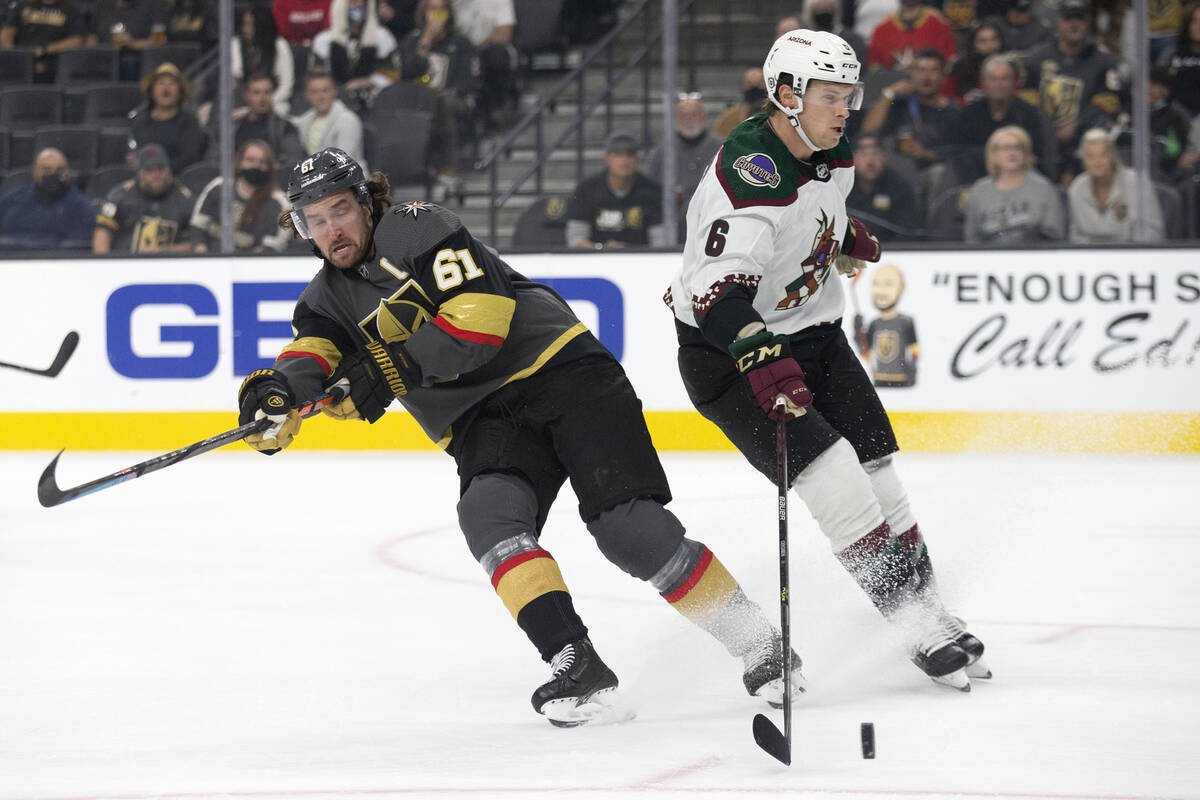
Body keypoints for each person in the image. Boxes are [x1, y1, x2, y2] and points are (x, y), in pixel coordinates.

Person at [238, 146, 803, 726]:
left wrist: (385, 370)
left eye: (340, 210)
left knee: (628, 530)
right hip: (483, 416)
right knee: (489, 517)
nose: (332, 229)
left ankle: (762, 644)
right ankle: (576, 663)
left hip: (562, 369)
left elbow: (480, 319)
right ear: (301, 228)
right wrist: (275, 399)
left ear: (366, 202)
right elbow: (312, 357)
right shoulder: (322, 300)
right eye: (316, 219)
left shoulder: (420, 229)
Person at [668, 29, 990, 692]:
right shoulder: (748, 173)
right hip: (730, 355)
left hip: (814, 334)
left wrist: (843, 236)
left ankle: (929, 610)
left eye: (851, 94)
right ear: (787, 95)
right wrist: (764, 362)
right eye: (831, 96)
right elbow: (715, 295)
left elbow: (819, 210)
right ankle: (913, 624)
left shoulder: (828, 149)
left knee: (879, 470)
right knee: (836, 476)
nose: (846, 109)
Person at [1024, 0, 1123, 183]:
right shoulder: (1037, 58)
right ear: (1059, 22)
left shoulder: (1105, 61)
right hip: (1043, 145)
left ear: (1088, 23)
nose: (1074, 24)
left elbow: (1111, 100)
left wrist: (1077, 123)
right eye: (1068, 18)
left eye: (1080, 19)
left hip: (1087, 146)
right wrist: (1048, 129)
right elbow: (1026, 100)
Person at [395, 0, 479, 175]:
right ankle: (407, 169)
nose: (437, 14)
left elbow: (470, 79)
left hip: (455, 100)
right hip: (418, 100)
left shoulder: (460, 41)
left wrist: (454, 90)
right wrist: (425, 42)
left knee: (443, 102)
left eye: (442, 9)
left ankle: (450, 165)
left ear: (449, 13)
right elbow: (406, 74)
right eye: (432, 9)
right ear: (424, 12)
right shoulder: (412, 41)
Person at [952, 54, 1050, 183]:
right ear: (983, 83)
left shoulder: (1029, 113)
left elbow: (1034, 153)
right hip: (976, 177)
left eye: (1004, 79)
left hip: (1020, 174)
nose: (999, 84)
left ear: (1013, 83)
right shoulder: (969, 114)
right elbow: (961, 153)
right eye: (993, 79)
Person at [963, 124, 1064, 243]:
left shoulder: (1044, 188)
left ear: (1026, 153)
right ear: (993, 154)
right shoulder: (979, 190)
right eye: (1006, 148)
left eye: (1018, 147)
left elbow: (1054, 237)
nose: (1012, 153)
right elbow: (971, 239)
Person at [564, 131, 664, 250]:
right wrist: (602, 249)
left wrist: (627, 251)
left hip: (639, 262)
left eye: (630, 154)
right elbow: (576, 239)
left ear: (637, 159)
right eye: (618, 154)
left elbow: (660, 243)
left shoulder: (651, 191)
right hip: (594, 261)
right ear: (607, 159)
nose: (625, 160)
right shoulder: (587, 189)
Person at [643, 94, 723, 241]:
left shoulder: (721, 148)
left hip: (711, 215)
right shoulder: (661, 151)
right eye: (684, 115)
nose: (689, 119)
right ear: (676, 118)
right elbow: (648, 187)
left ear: (703, 117)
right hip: (670, 218)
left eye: (694, 114)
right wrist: (667, 195)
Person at [190, 139, 292, 253]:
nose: (256, 166)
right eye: (250, 160)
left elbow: (272, 247)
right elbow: (197, 227)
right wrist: (201, 251)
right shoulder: (219, 187)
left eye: (262, 162)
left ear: (270, 167)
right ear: (239, 163)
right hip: (209, 260)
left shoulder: (279, 202)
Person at [1068, 128, 1165, 244]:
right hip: (1090, 258)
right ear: (1084, 159)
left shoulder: (1138, 183)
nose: (1097, 162)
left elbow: (1154, 233)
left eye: (1102, 155)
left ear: (1112, 156)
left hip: (1132, 256)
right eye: (1091, 156)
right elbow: (1075, 235)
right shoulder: (1077, 188)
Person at [94, 143, 194, 253]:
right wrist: (104, 265)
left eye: (161, 168)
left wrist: (165, 251)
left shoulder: (186, 199)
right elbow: (102, 232)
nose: (156, 174)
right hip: (125, 265)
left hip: (170, 266)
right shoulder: (120, 196)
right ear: (139, 173)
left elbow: (197, 243)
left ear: (169, 170)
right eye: (149, 169)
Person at [0, 147, 95, 250]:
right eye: (47, 170)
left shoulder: (81, 207)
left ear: (68, 172)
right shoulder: (11, 201)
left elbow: (78, 249)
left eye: (60, 170)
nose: (53, 175)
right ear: (35, 172)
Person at [129, 61, 210, 173]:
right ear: (151, 91)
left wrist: (160, 172)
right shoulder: (139, 122)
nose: (166, 88)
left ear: (180, 92)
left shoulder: (189, 122)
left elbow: (191, 157)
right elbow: (132, 150)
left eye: (172, 83)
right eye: (161, 83)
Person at [451, 0, 516, 129]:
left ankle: (495, 109)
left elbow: (504, 34)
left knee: (496, 56)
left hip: (488, 49)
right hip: (459, 51)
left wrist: (475, 49)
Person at [845, 133, 923, 241]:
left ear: (884, 157)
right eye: (863, 154)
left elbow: (907, 232)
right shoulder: (842, 186)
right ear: (852, 158)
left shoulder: (899, 187)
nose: (870, 162)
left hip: (890, 252)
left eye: (875, 154)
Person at [853, 263, 919, 387]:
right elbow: (865, 352)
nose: (881, 290)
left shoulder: (906, 322)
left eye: (889, 284)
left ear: (901, 288)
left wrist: (913, 371)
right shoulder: (875, 323)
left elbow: (914, 350)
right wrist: (857, 331)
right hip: (879, 379)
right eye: (876, 284)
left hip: (901, 379)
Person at [312, 0, 398, 90]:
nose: (358, 7)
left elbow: (392, 75)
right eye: (353, 2)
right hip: (334, 95)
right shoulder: (324, 39)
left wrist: (365, 82)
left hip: (373, 95)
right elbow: (315, 76)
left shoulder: (382, 36)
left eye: (362, 3)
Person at [294, 67, 368, 170]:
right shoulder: (304, 121)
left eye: (325, 91)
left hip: (348, 182)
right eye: (315, 92)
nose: (320, 96)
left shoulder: (348, 120)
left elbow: (342, 163)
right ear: (307, 95)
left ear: (334, 92)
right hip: (316, 180)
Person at [229, 72, 306, 168]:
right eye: (256, 92)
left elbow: (293, 163)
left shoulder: (285, 128)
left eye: (267, 92)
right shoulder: (233, 127)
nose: (262, 98)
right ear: (246, 95)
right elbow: (217, 160)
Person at [0, 0, 88, 82]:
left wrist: (44, 50)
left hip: (56, 65)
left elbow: (77, 40)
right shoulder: (23, 6)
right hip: (22, 65)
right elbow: (7, 33)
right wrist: (14, 56)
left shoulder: (71, 9)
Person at [232, 6, 295, 117]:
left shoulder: (279, 45)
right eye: (244, 24)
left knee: (279, 112)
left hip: (274, 103)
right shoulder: (235, 45)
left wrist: (263, 102)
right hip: (243, 103)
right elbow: (234, 78)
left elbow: (286, 86)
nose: (245, 30)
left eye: (250, 25)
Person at [867, 0, 955, 74]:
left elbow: (947, 68)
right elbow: (875, 72)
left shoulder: (939, 26)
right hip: (893, 88)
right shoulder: (881, 30)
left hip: (932, 90)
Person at [88, 0, 168, 81]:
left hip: (139, 58)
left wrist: (133, 44)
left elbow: (159, 41)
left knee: (128, 61)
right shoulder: (103, 4)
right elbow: (92, 36)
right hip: (106, 57)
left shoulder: (154, 4)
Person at [1157, 1, 1200, 116]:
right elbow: (1160, 85)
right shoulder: (1171, 53)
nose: (1198, 27)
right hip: (1174, 115)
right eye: (1194, 21)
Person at [951, 19, 1007, 102]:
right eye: (983, 41)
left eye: (994, 39)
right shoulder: (962, 68)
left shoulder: (1010, 66)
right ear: (974, 45)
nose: (990, 45)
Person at [712, 68, 766, 140]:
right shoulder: (727, 120)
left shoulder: (777, 117)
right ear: (742, 85)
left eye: (759, 84)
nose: (754, 88)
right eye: (749, 84)